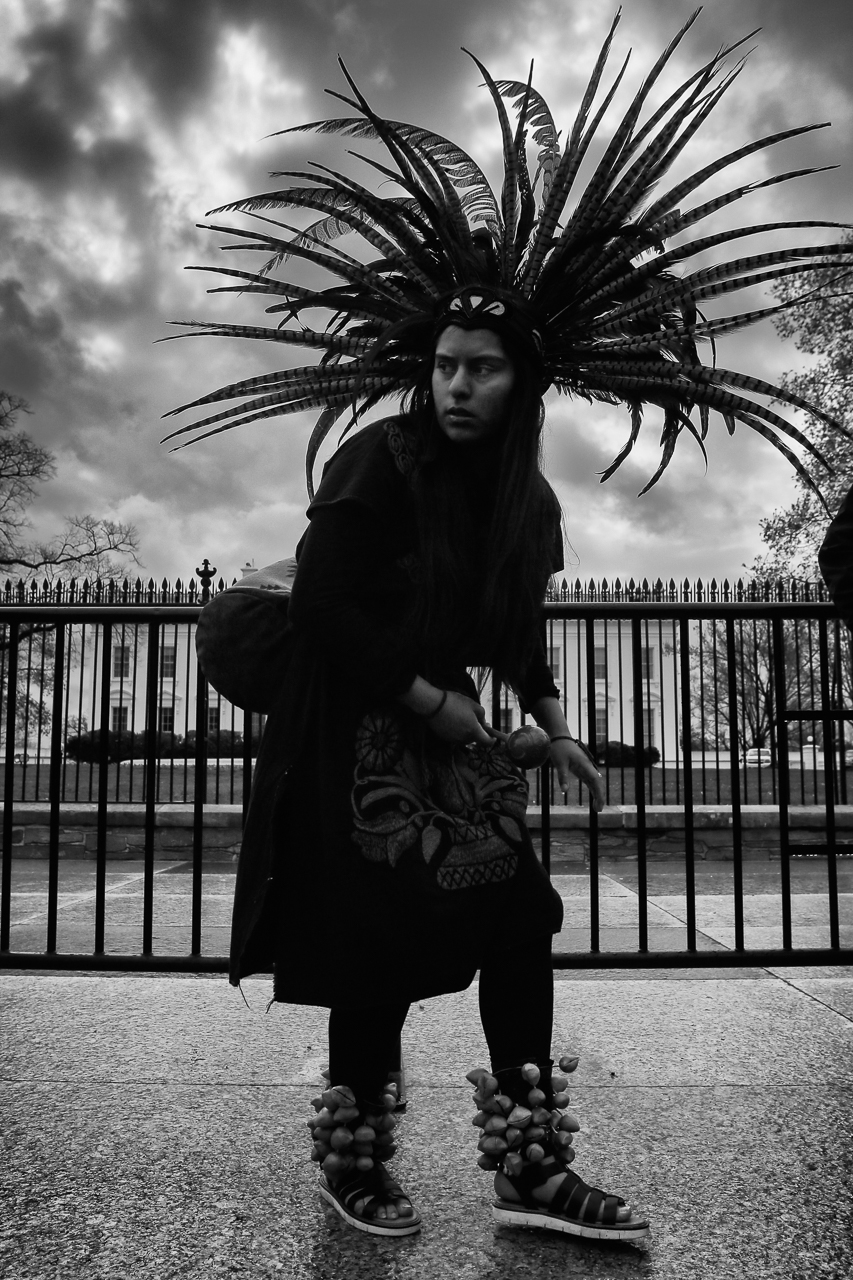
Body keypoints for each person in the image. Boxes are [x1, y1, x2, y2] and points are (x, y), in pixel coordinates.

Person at [170, 12, 852, 1249]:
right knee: (372, 941)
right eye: (442, 364)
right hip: (349, 712)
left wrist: (545, 717)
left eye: (482, 367)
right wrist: (439, 708)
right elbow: (322, 603)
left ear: (523, 383)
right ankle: (359, 1161)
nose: (455, 384)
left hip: (432, 713)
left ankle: (529, 1166)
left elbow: (513, 624)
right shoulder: (381, 459)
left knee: (512, 912)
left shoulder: (525, 501)